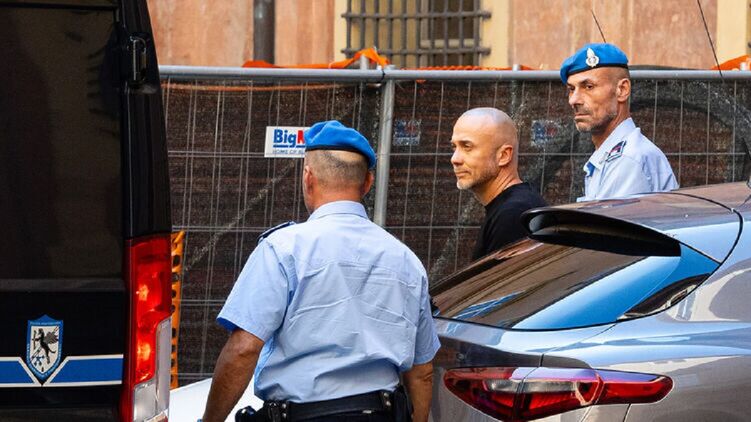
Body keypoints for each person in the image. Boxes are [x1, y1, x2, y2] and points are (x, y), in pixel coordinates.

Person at [202, 120, 440, 422]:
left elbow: (244, 349)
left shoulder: (283, 249)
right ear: (368, 183)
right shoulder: (407, 260)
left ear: (308, 177)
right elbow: (421, 371)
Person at [561, 43, 678, 202]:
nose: (574, 100)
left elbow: (603, 219)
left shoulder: (627, 159)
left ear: (622, 90)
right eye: (571, 89)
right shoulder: (618, 154)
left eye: (588, 87)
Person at [450, 108, 547, 260]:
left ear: (504, 156)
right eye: (454, 147)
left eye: (467, 147)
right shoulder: (513, 207)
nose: (455, 159)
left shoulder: (514, 214)